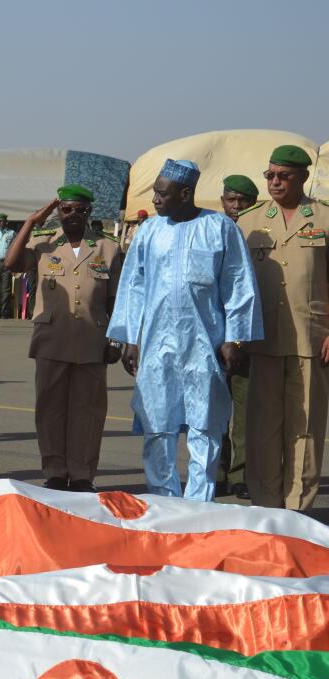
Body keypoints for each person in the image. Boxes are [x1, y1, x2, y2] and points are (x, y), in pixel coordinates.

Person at [108, 159, 261, 502]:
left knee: (203, 424)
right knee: (157, 422)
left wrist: (235, 339)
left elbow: (238, 284)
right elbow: (133, 285)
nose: (156, 200)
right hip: (156, 343)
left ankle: (198, 503)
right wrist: (129, 337)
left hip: (203, 343)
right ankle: (162, 497)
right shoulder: (149, 231)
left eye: (162, 193)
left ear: (186, 193)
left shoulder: (220, 228)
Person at [4, 185, 124, 491]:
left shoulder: (107, 248)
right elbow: (11, 264)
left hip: (92, 341)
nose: (72, 215)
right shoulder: (44, 243)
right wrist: (31, 223)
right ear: (58, 211)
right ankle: (55, 471)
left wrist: (116, 340)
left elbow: (117, 301)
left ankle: (82, 474)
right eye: (66, 209)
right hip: (52, 339)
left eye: (79, 210)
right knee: (50, 408)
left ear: (88, 212)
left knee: (88, 410)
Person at [236, 146, 329, 510]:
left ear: (303, 177)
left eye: (283, 175)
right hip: (261, 340)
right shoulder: (249, 221)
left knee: (305, 429)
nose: (274, 181)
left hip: (311, 339)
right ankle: (265, 506)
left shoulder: (323, 217)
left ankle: (297, 509)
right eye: (270, 175)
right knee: (262, 428)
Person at [215, 174, 260, 499]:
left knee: (245, 413)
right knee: (214, 409)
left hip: (249, 338)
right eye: (231, 199)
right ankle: (215, 471)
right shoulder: (212, 232)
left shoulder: (261, 234)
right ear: (222, 201)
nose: (236, 206)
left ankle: (241, 475)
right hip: (215, 338)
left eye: (243, 201)